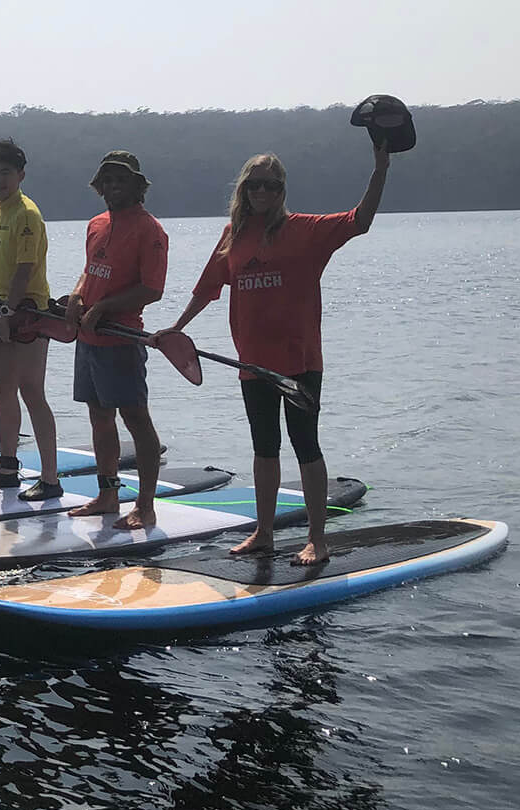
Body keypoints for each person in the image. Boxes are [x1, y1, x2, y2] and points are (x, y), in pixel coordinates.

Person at [159, 140, 392, 565]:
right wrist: (175, 330)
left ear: (281, 190)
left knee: (306, 445)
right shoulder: (234, 236)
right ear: (244, 190)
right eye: (254, 184)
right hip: (253, 365)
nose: (261, 192)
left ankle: (316, 539)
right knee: (264, 448)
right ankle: (263, 533)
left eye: (270, 185)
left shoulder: (306, 230)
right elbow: (206, 288)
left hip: (299, 363)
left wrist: (380, 167)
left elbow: (361, 220)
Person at [64, 151, 167, 529]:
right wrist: (77, 295)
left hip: (122, 339)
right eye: (106, 181)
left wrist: (105, 306)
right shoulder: (96, 224)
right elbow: (90, 270)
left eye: (120, 180)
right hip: (88, 338)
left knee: (136, 419)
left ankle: (145, 505)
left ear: (138, 186)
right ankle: (108, 495)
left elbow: (152, 288)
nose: (112, 187)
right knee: (98, 417)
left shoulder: (150, 229)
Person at [0, 137, 61, 496]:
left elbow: (25, 269)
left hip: (30, 313)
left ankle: (50, 479)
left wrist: (7, 313)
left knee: (32, 392)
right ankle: (8, 467)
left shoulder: (27, 213)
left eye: (5, 173)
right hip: (3, 311)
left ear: (21, 175)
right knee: (2, 389)